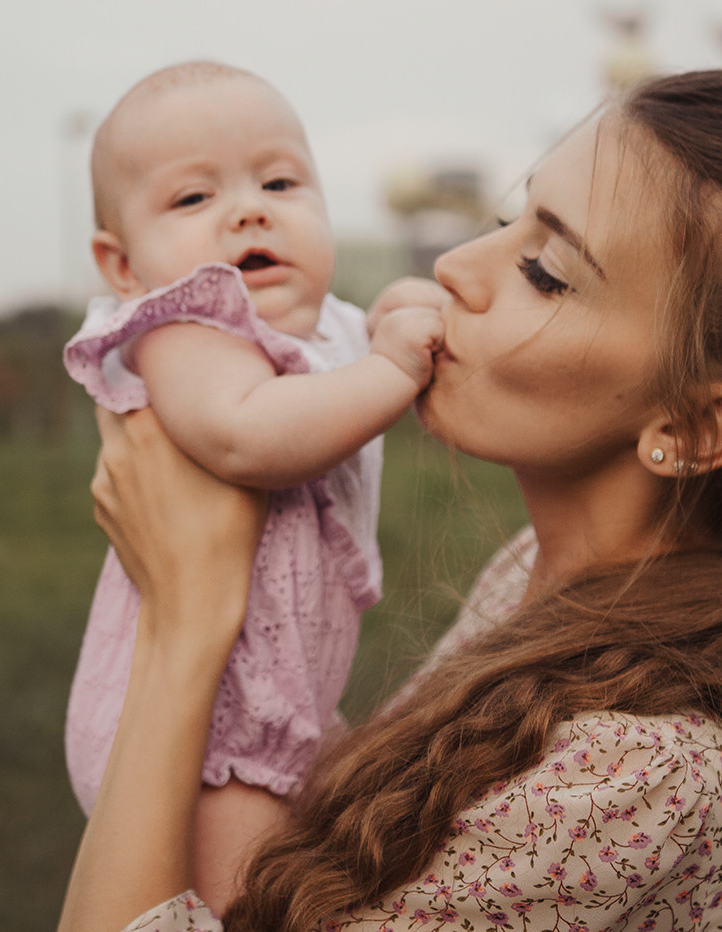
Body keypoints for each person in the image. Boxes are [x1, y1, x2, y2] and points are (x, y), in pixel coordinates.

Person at [59, 69, 722, 932]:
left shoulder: (652, 774)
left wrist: (185, 626)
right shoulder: (534, 575)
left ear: (692, 430)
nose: (458, 268)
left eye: (547, 271)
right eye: (510, 215)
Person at [62, 60, 445, 910]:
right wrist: (391, 369)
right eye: (193, 199)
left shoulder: (324, 323)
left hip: (291, 702)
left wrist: (410, 302)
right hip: (210, 736)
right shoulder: (182, 328)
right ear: (121, 262)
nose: (249, 207)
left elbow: (380, 316)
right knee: (252, 906)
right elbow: (246, 435)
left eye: (280, 180)